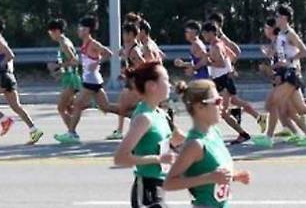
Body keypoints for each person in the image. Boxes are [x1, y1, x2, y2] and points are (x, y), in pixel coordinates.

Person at [253, 5, 306, 148]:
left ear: (284, 18)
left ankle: (268, 138)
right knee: (301, 108)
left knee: (272, 103)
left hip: (290, 74)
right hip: (285, 72)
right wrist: (272, 55)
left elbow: (304, 51)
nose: (275, 18)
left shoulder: (290, 34)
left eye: (277, 16)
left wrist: (288, 60)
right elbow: (281, 53)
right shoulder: (281, 34)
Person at [163, 80, 251, 208]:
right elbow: (169, 183)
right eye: (217, 101)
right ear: (199, 107)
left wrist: (234, 176)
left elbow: (216, 175)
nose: (222, 106)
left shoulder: (215, 133)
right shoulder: (195, 144)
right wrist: (209, 178)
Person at [113, 62, 184, 208]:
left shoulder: (161, 114)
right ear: (152, 86)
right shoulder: (144, 118)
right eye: (166, 80)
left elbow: (179, 139)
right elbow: (120, 158)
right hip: (146, 190)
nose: (170, 85)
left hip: (160, 186)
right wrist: (158, 159)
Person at [0, 15, 44, 144]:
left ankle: (5, 120)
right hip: (8, 77)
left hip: (3, 77)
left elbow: (10, 55)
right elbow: (1, 59)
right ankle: (34, 130)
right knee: (16, 107)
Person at [54, 15, 119, 145]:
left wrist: (98, 62)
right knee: (106, 107)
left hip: (92, 80)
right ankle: (133, 113)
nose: (79, 30)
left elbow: (109, 53)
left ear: (88, 30)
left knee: (77, 104)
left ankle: (72, 134)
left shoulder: (93, 43)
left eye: (81, 28)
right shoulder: (85, 43)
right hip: (92, 80)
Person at [201, 22, 254, 145]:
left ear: (210, 33)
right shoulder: (217, 44)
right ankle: (243, 132)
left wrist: (208, 63)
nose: (203, 36)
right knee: (219, 110)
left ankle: (243, 133)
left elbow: (221, 64)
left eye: (204, 33)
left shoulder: (216, 46)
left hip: (223, 81)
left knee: (222, 112)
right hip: (221, 80)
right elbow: (230, 57)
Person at [107, 21, 144, 140]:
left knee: (124, 107)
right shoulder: (127, 48)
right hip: (130, 81)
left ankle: (126, 130)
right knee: (124, 106)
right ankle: (123, 130)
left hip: (136, 83)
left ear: (133, 35)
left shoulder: (135, 50)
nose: (124, 36)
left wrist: (131, 73)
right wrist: (125, 74)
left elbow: (142, 65)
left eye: (127, 34)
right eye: (124, 33)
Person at [47, 18, 82, 131]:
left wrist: (57, 66)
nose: (50, 35)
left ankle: (71, 133)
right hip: (69, 78)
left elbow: (74, 60)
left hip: (71, 80)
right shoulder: (64, 41)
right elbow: (69, 62)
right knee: (68, 107)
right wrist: (59, 73)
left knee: (61, 107)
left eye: (51, 32)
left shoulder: (63, 43)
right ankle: (72, 131)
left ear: (57, 31)